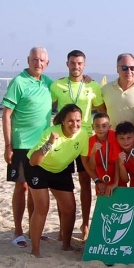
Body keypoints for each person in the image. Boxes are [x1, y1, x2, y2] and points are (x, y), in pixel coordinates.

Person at [50, 50, 105, 240]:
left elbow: (102, 109)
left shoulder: (93, 86)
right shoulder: (56, 85)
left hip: (86, 139)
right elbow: (44, 106)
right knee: (62, 183)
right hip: (63, 139)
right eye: (73, 63)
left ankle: (85, 224)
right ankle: (62, 226)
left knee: (85, 183)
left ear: (84, 65)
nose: (76, 66)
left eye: (79, 63)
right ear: (67, 64)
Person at [1, 47, 53, 248]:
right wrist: (8, 145)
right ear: (28, 60)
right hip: (21, 143)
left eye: (41, 60)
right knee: (21, 186)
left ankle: (34, 230)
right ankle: (17, 232)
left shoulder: (48, 83)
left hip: (41, 146)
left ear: (46, 63)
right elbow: (6, 114)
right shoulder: (18, 82)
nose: (38, 63)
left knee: (36, 187)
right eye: (34, 59)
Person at [25, 104, 89, 257]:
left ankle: (66, 245)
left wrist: (98, 179)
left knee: (70, 208)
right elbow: (34, 161)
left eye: (78, 120)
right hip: (38, 168)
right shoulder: (51, 132)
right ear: (62, 121)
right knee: (42, 207)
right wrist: (50, 143)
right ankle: (35, 250)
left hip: (60, 170)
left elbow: (86, 162)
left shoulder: (83, 134)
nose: (75, 124)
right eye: (70, 121)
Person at [101, 53, 134, 128]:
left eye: (132, 68)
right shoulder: (106, 89)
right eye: (124, 68)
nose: (129, 71)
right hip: (113, 137)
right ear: (117, 68)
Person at [85, 113, 121, 197]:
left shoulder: (115, 136)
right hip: (101, 179)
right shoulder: (91, 140)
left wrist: (115, 183)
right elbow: (91, 167)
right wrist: (93, 153)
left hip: (117, 177)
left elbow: (117, 161)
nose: (100, 129)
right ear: (92, 126)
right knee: (104, 206)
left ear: (110, 126)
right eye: (97, 126)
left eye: (104, 126)